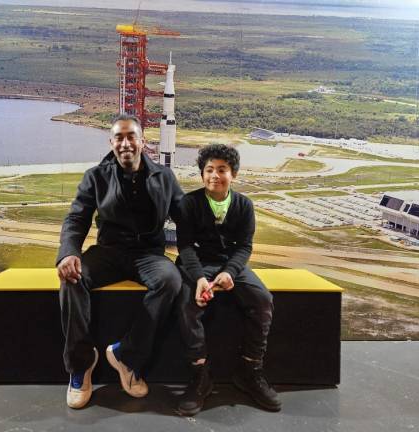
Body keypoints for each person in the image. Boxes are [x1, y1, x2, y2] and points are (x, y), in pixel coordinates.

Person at [56, 114, 184, 409]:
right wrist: (69, 253)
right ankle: (81, 364)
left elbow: (186, 219)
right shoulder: (95, 176)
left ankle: (126, 355)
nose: (125, 143)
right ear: (111, 142)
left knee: (171, 280)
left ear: (142, 141)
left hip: (148, 255)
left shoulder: (164, 177)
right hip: (108, 252)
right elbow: (76, 217)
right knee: (71, 277)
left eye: (131, 136)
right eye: (119, 137)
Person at [175, 144, 281, 416]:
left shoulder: (244, 205)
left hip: (230, 264)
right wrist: (198, 278)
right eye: (209, 170)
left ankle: (250, 370)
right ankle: (200, 375)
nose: (214, 175)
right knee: (187, 305)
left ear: (233, 174)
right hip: (197, 264)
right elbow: (185, 247)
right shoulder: (189, 203)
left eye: (222, 170)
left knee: (263, 300)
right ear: (201, 174)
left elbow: (244, 247)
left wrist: (230, 272)